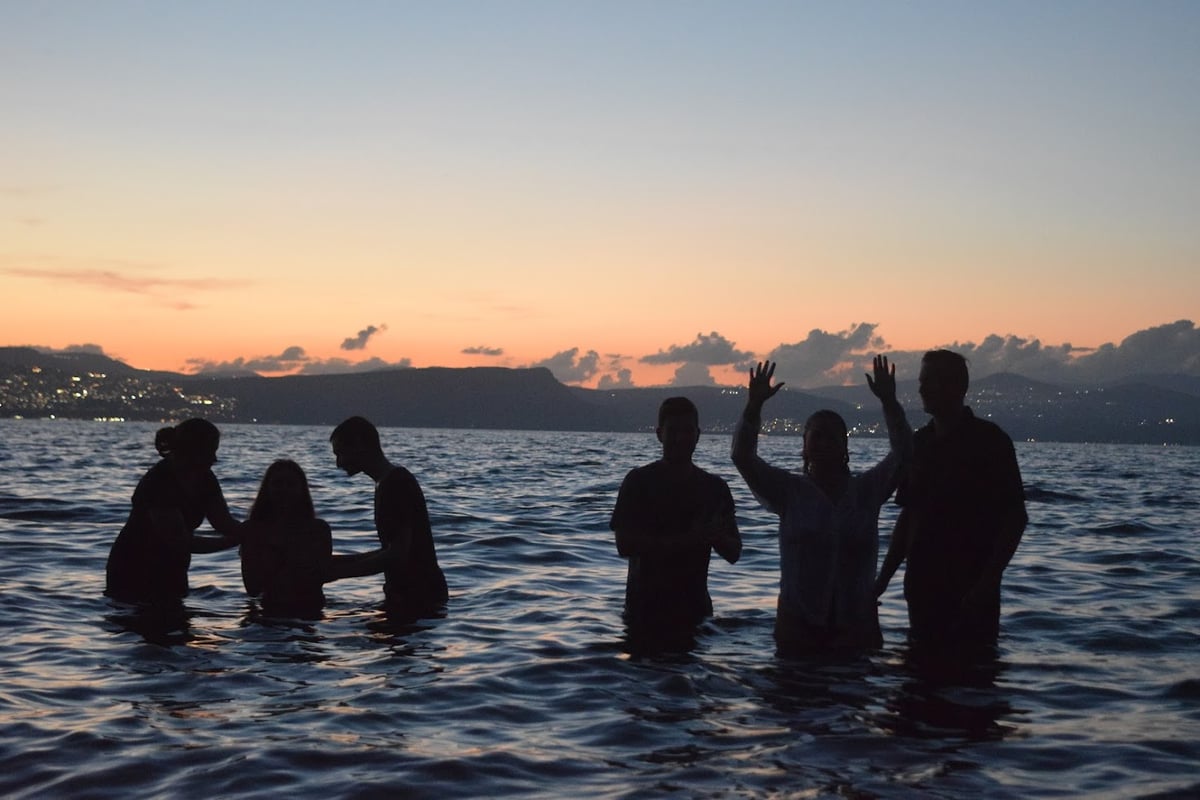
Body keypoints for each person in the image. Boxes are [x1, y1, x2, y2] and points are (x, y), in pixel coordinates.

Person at [732, 356, 912, 656]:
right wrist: (754, 406)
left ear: (845, 447)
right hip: (797, 626)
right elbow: (742, 456)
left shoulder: (867, 491)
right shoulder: (788, 491)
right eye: (817, 436)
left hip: (856, 627)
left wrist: (890, 402)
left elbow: (904, 452)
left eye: (833, 437)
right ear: (804, 445)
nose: (824, 443)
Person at [875, 349, 1027, 650]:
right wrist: (880, 583)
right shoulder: (919, 443)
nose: (921, 388)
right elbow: (907, 519)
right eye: (922, 380)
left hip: (971, 588)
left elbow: (1015, 518)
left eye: (930, 380)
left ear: (957, 386)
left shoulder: (990, 441)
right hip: (921, 587)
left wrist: (986, 583)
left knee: (972, 678)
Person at [610, 396, 742, 644]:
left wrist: (714, 536)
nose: (681, 438)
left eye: (687, 431)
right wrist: (689, 540)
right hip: (645, 612)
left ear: (698, 434)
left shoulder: (714, 488)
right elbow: (624, 545)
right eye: (674, 431)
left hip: (696, 613)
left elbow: (734, 552)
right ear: (660, 434)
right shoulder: (638, 482)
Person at [105, 418, 242, 604]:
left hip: (174, 568)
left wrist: (260, 530)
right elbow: (179, 541)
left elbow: (223, 522)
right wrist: (235, 541)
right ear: (191, 450)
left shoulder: (206, 478)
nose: (214, 459)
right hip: (134, 567)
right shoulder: (159, 481)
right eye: (209, 451)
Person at [329, 416, 448, 618]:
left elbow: (397, 555)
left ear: (359, 444)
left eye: (340, 453)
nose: (338, 462)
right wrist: (336, 563)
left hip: (418, 596)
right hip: (414, 594)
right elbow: (391, 550)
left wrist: (336, 573)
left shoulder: (396, 484)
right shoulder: (388, 482)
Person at [239, 459, 332, 618]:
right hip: (269, 609)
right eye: (278, 483)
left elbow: (320, 575)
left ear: (302, 489)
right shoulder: (253, 529)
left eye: (290, 484)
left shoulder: (318, 529)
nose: (284, 490)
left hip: (310, 609)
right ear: (267, 489)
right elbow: (252, 588)